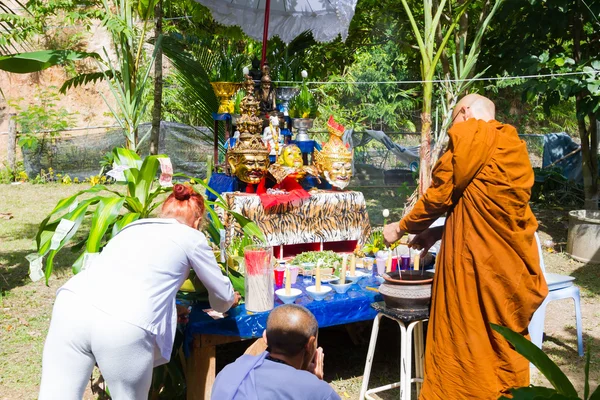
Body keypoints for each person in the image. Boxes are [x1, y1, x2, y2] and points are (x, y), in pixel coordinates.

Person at [383, 94, 548, 399]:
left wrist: (401, 226)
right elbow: (495, 214)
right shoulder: (515, 147)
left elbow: (439, 196)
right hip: (509, 269)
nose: (453, 130)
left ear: (465, 112)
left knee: (467, 334)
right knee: (503, 339)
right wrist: (436, 234)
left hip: (476, 266)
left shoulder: (470, 137)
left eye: (454, 118)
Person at [39, 184, 240, 400]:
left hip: (72, 305)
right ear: (198, 221)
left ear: (163, 213)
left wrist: (170, 308)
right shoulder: (192, 237)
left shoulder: (132, 228)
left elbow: (126, 277)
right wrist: (231, 299)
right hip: (124, 323)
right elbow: (221, 299)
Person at [211, 304, 341, 400]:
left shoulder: (229, 372)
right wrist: (316, 386)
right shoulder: (317, 391)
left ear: (265, 337)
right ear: (310, 344)